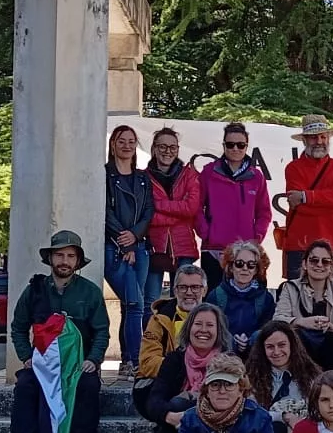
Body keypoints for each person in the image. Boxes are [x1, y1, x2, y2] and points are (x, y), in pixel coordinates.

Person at [6, 230, 113, 433]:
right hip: (43, 366)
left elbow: (102, 331)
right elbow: (18, 327)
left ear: (77, 261)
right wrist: (26, 357)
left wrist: (93, 360)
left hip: (77, 367)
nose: (65, 261)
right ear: (51, 258)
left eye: (71, 256)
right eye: (60, 255)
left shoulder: (90, 292)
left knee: (87, 387)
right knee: (25, 386)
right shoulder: (34, 291)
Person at [136, 303, 232, 433]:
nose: (203, 330)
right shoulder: (174, 360)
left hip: (220, 429)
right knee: (178, 404)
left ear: (219, 331)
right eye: (198, 324)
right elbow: (154, 400)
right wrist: (170, 416)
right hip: (177, 431)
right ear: (188, 328)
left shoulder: (230, 362)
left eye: (210, 325)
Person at [105, 124, 156, 369]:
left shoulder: (142, 178)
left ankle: (130, 358)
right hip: (114, 249)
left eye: (131, 141)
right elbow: (104, 212)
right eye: (121, 140)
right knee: (134, 303)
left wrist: (135, 236)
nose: (126, 145)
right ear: (113, 144)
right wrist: (123, 241)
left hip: (141, 247)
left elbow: (148, 211)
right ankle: (135, 360)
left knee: (135, 304)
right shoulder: (104, 175)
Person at [197, 121, 270, 289]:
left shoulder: (256, 176)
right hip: (214, 250)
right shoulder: (209, 172)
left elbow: (264, 212)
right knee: (214, 303)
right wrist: (206, 233)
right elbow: (196, 207)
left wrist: (255, 240)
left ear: (246, 146)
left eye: (240, 145)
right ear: (224, 146)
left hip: (245, 253)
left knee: (246, 302)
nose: (235, 149)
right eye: (230, 145)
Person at [272, 238, 333, 370]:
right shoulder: (290, 287)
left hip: (332, 351)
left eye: (325, 261)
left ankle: (332, 385)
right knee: (296, 338)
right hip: (300, 349)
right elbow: (277, 319)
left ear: (331, 266)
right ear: (304, 264)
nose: (319, 265)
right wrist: (301, 322)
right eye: (314, 260)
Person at [280, 114, 333, 280]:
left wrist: (306, 196)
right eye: (313, 138)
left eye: (323, 136)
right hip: (300, 246)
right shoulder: (293, 168)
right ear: (304, 140)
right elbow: (300, 208)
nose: (319, 141)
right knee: (297, 302)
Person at [144, 126, 202, 303]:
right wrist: (179, 213)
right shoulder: (143, 177)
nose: (167, 152)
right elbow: (147, 215)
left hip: (183, 245)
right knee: (151, 301)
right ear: (154, 148)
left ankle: (181, 332)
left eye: (172, 147)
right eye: (163, 147)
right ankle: (151, 332)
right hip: (155, 247)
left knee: (184, 299)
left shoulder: (189, 175)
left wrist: (159, 205)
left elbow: (191, 208)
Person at [245, 320, 322, 433]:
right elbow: (252, 415)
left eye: (281, 345)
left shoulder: (312, 375)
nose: (276, 352)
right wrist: (285, 416)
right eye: (270, 347)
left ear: (292, 345)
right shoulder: (252, 379)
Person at [138, 264, 210, 381]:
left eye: (195, 287)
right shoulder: (159, 320)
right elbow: (147, 362)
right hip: (169, 383)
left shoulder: (216, 319)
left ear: (205, 290)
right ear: (175, 290)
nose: (189, 292)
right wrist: (186, 368)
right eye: (183, 287)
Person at [206, 239, 276, 355]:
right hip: (223, 355)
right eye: (239, 264)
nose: (245, 268)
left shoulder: (266, 299)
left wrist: (249, 340)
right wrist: (232, 341)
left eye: (251, 265)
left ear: (256, 270)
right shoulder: (216, 296)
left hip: (255, 354)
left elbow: (268, 328)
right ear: (231, 267)